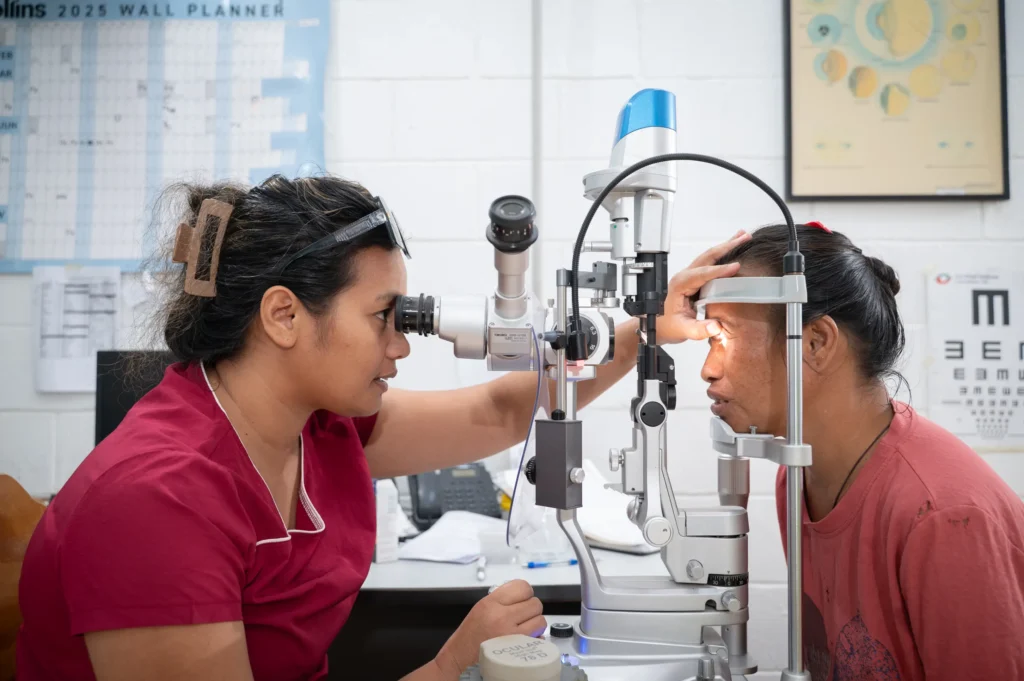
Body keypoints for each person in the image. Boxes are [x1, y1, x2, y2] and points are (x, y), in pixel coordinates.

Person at [16, 174, 748, 681]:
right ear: (283, 316)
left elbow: (495, 410)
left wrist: (643, 328)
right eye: (383, 318)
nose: (401, 344)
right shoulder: (156, 501)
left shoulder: (319, 429)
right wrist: (449, 661)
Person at [697, 222, 1024, 680]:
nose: (707, 371)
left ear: (815, 343)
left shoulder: (943, 517)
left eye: (723, 338)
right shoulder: (797, 474)